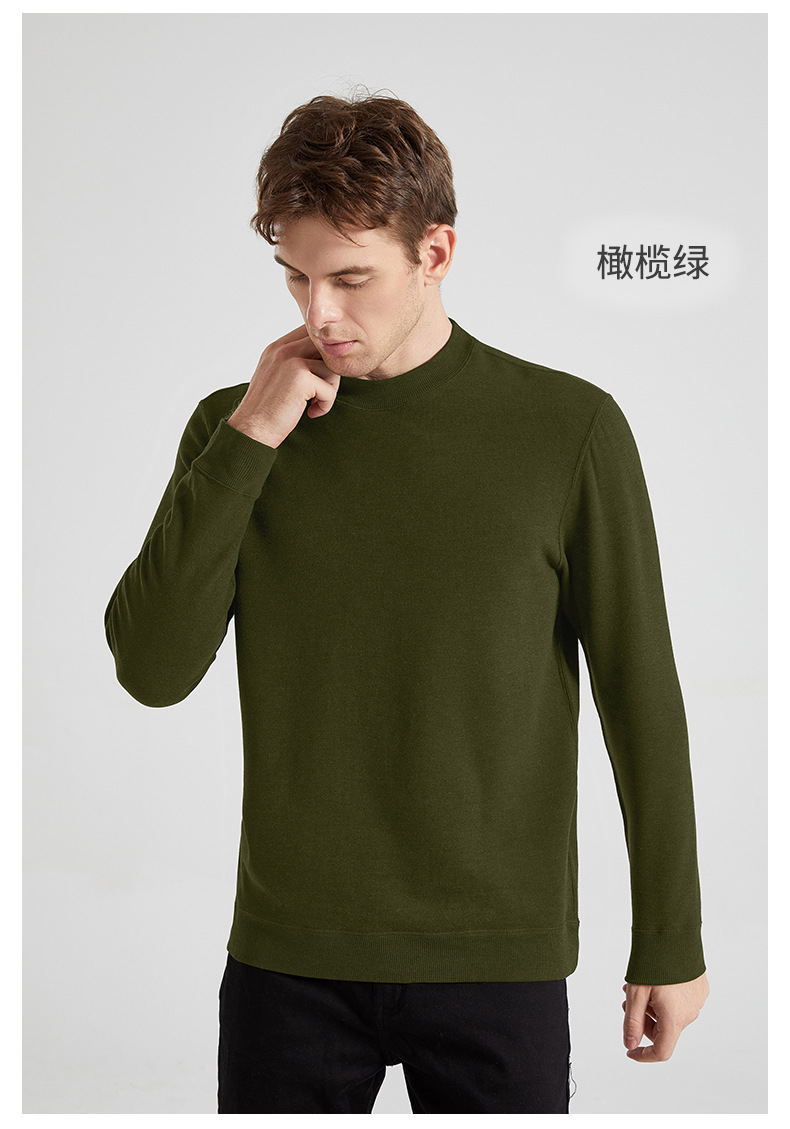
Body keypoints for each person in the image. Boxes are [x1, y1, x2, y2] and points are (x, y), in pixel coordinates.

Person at [103, 90, 709, 1114]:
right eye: (295, 276)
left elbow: (640, 694)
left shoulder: (566, 429)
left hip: (496, 956)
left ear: (436, 253)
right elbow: (151, 669)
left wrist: (671, 938)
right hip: (289, 958)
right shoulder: (236, 429)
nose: (318, 314)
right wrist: (249, 438)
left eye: (351, 278)